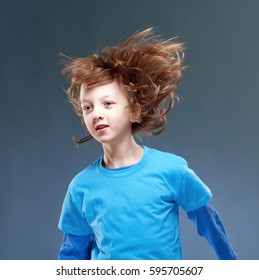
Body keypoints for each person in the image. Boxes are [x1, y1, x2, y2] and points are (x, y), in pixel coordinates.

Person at [58, 28, 237, 260]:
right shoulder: (80, 187)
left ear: (134, 111)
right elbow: (72, 255)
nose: (96, 114)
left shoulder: (171, 170)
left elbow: (208, 223)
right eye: (87, 107)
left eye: (108, 103)